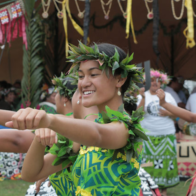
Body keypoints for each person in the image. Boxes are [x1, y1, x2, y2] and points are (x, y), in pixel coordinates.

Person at [8, 42, 147, 195]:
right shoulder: (80, 135)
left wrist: (50, 120)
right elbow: (30, 174)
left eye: (93, 74)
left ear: (119, 80)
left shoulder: (126, 128)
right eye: (80, 76)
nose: (83, 83)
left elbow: (97, 135)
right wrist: (40, 137)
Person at [137, 69, 179, 196]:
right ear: (146, 82)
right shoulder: (141, 96)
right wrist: (143, 97)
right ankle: (149, 190)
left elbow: (177, 115)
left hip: (166, 134)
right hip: (147, 136)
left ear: (162, 83)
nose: (155, 83)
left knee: (166, 163)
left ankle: (164, 191)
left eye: (157, 81)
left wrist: (168, 112)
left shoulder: (169, 96)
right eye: (152, 80)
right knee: (147, 164)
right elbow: (137, 116)